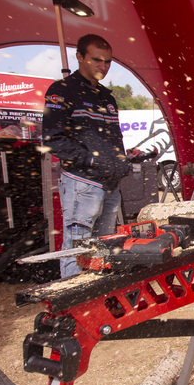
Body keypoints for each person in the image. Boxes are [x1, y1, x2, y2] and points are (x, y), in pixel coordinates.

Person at [42, 34, 130, 278]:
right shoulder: (62, 91)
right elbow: (52, 140)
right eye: (97, 60)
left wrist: (122, 158)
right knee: (78, 246)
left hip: (111, 183)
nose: (103, 67)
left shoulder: (107, 97)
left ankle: (97, 299)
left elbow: (111, 139)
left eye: (108, 62)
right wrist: (91, 160)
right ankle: (73, 301)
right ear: (79, 57)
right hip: (83, 183)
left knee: (103, 245)